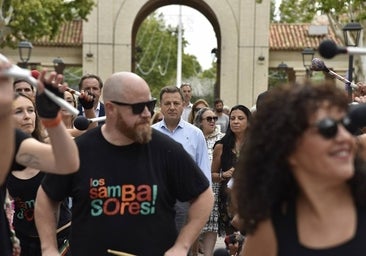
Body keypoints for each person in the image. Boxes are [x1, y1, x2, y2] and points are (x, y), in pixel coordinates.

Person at [34, 71, 214, 256]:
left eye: (149, 105)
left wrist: (182, 246)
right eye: (137, 108)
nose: (146, 114)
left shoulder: (166, 150)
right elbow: (47, 197)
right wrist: (48, 248)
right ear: (111, 109)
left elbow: (204, 196)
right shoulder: (79, 151)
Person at [232, 81, 366, 256]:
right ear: (288, 147)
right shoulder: (271, 230)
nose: (346, 138)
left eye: (346, 126)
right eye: (328, 128)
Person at [0, 67, 79, 256]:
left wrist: (52, 120)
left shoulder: (10, 140)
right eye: (18, 111)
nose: (27, 116)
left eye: (30, 110)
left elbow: (67, 163)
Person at [152, 86, 211, 234]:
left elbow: (203, 169)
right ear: (161, 106)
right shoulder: (149, 133)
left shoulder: (195, 134)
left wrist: (204, 201)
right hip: (155, 199)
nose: (172, 107)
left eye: (176, 103)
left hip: (185, 199)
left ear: (183, 105)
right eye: (167, 103)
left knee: (181, 244)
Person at [211, 105, 251, 240]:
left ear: (248, 121)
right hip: (228, 200)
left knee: (249, 240)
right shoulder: (221, 146)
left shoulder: (257, 144)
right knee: (233, 243)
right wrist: (223, 175)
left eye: (240, 118)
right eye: (232, 118)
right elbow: (213, 175)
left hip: (250, 198)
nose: (236, 121)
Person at [193, 107, 224, 256]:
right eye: (209, 119)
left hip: (214, 190)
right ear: (200, 122)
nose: (213, 121)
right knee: (195, 227)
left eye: (214, 118)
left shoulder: (222, 139)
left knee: (211, 227)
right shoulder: (193, 137)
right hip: (195, 191)